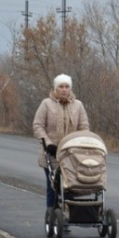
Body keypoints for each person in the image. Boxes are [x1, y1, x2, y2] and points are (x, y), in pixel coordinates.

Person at [32, 74, 90, 226]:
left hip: (72, 154)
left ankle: (67, 217)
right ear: (55, 88)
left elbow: (84, 127)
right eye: (61, 87)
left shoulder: (78, 105)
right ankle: (52, 218)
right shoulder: (46, 104)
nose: (64, 90)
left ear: (70, 88)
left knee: (70, 186)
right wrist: (48, 143)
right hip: (51, 153)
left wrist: (81, 142)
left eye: (67, 87)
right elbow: (38, 126)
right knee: (54, 186)